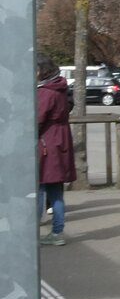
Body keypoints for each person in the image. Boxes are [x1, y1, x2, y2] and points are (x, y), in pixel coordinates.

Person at [37, 53, 76, 246]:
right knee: (56, 193)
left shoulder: (45, 92)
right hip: (60, 142)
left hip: (46, 144)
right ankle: (57, 232)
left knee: (37, 188)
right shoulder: (60, 88)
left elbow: (37, 119)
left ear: (39, 71)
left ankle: (31, 232)